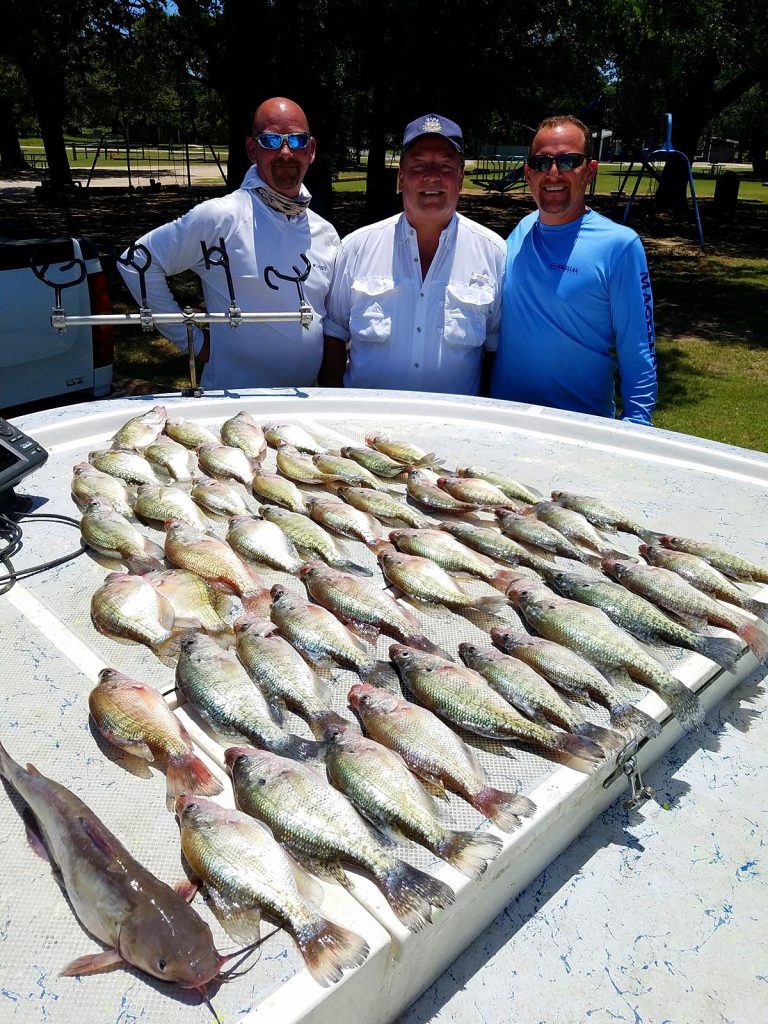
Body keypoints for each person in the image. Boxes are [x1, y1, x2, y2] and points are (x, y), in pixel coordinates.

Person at [117, 97, 339, 391]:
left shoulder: (326, 233)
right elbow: (136, 262)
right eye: (271, 140)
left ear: (310, 151)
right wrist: (193, 342)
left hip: (301, 406)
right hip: (231, 405)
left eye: (296, 141)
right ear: (251, 149)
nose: (285, 152)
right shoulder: (222, 217)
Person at [318, 114, 505, 396]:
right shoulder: (356, 248)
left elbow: (493, 352)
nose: (432, 176)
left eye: (445, 165)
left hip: (454, 428)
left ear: (460, 178)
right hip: (364, 429)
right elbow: (334, 338)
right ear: (401, 177)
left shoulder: (494, 254)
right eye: (418, 165)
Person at [490, 115, 657, 425]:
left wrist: (638, 423)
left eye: (568, 161)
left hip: (579, 430)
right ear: (528, 174)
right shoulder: (520, 232)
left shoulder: (620, 246)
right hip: (505, 420)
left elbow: (637, 349)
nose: (553, 173)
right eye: (542, 163)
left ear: (589, 171)